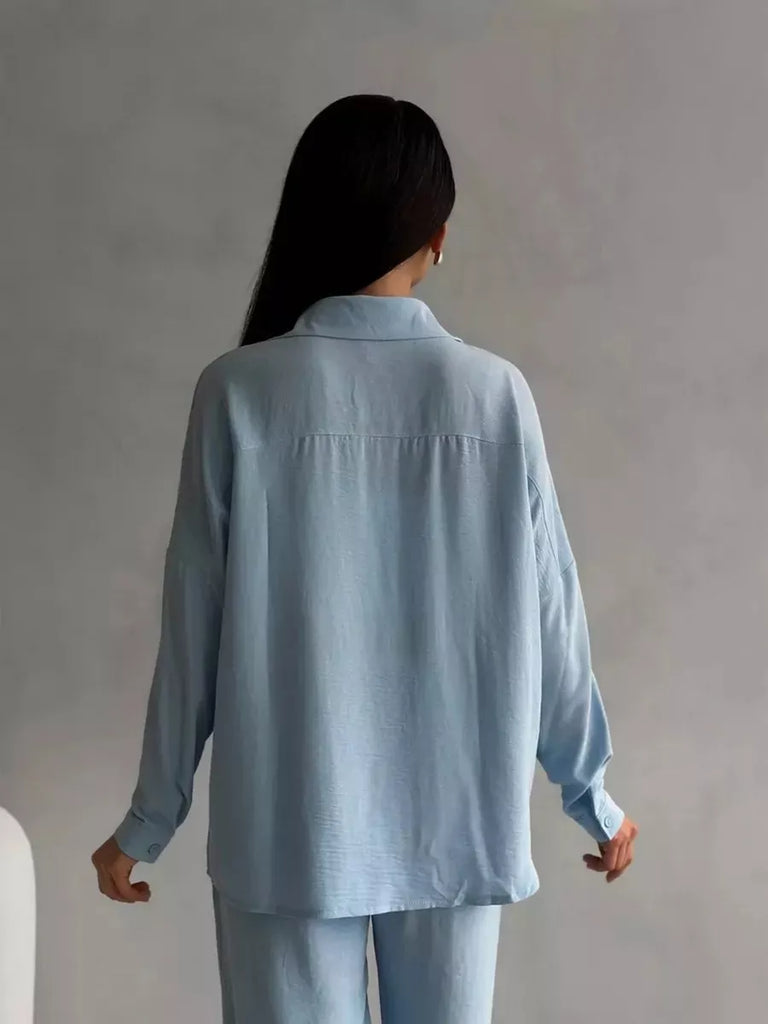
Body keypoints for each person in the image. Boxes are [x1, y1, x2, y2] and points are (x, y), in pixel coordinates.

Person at [91, 94, 638, 1024]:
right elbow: (554, 614)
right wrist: (593, 796)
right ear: (436, 238)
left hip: (289, 826)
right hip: (457, 821)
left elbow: (193, 634)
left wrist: (149, 822)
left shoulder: (239, 393)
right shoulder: (495, 398)